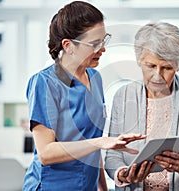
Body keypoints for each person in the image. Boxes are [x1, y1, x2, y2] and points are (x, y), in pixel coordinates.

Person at [22, 1, 145, 191]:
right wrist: (100, 143)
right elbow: (46, 153)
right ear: (68, 45)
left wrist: (103, 188)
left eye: (104, 40)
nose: (102, 49)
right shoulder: (44, 83)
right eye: (95, 43)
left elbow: (93, 145)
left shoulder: (95, 78)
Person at [104, 22, 179, 191]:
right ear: (139, 60)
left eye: (167, 67)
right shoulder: (122, 96)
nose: (157, 75)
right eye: (151, 66)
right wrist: (123, 173)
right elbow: (113, 155)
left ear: (178, 65)